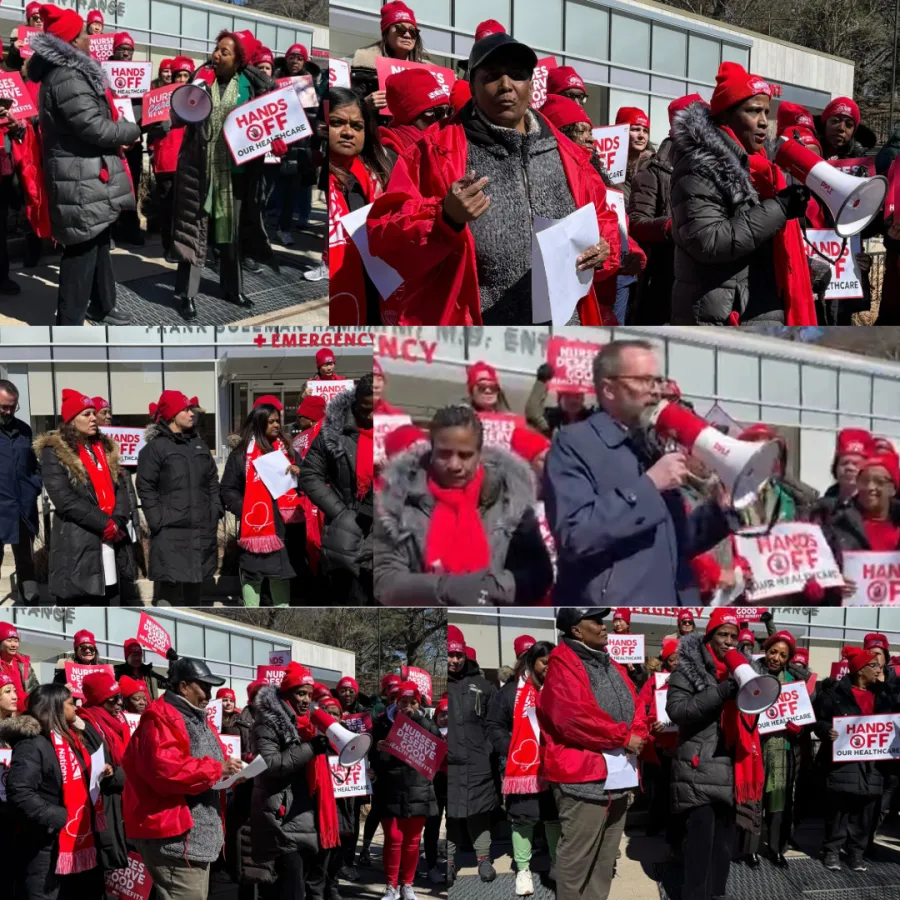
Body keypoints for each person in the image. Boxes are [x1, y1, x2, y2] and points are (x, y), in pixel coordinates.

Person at [367, 32, 624, 326]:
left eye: (516, 75)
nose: (505, 86)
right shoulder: (431, 153)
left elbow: (602, 219)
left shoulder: (571, 156)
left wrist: (605, 248)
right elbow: (384, 236)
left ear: (531, 86)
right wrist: (444, 218)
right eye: (491, 76)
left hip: (564, 326)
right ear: (473, 88)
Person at [544, 340, 733, 607]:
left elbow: (678, 542)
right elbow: (575, 534)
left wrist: (719, 510)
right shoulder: (574, 444)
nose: (656, 392)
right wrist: (649, 485)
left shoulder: (651, 444)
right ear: (609, 389)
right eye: (644, 381)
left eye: (657, 381)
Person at [669, 62, 815, 325]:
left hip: (755, 307)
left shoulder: (761, 168)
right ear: (726, 115)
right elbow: (708, 240)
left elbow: (762, 243)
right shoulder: (698, 167)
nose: (763, 122)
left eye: (766, 112)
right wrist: (779, 209)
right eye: (753, 111)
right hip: (723, 316)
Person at [28, 6, 140, 326]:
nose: (93, 38)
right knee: (80, 250)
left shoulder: (69, 72)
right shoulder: (68, 76)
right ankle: (69, 324)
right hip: (77, 177)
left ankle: (103, 306)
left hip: (85, 173)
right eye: (86, 33)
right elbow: (94, 128)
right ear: (74, 40)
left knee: (98, 238)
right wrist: (133, 129)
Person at [374, 404, 553, 605]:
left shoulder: (510, 500)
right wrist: (445, 588)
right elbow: (384, 579)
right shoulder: (397, 501)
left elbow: (539, 573)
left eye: (465, 455)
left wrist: (489, 587)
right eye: (444, 454)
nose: (454, 465)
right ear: (431, 450)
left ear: (480, 454)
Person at [536, 608, 647, 900]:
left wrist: (639, 734)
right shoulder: (562, 666)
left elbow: (635, 706)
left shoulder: (612, 664)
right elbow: (573, 719)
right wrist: (625, 738)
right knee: (576, 861)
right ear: (575, 630)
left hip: (618, 779)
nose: (604, 626)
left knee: (605, 858)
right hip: (582, 781)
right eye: (595, 621)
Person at [171, 30, 278, 320]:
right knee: (194, 233)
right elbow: (177, 117)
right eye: (216, 49)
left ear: (239, 60)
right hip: (200, 171)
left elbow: (269, 120)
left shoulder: (251, 88)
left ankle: (233, 289)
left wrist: (276, 138)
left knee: (230, 235)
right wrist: (187, 97)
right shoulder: (201, 80)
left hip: (236, 174)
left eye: (225, 52)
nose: (216, 55)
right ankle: (187, 295)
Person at [666, 608, 764, 900]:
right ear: (709, 636)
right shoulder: (687, 670)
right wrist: (721, 693)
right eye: (723, 634)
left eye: (734, 636)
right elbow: (677, 710)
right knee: (700, 845)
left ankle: (716, 894)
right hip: (700, 767)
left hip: (732, 767)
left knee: (723, 845)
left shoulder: (742, 671)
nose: (729, 641)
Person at [123, 657, 239, 900]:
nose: (210, 692)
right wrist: (218, 770)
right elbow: (166, 770)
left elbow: (211, 763)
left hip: (192, 837)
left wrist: (234, 774)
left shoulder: (196, 717)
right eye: (204, 686)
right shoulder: (161, 717)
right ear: (184, 686)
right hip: (176, 838)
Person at [7, 682, 106, 899]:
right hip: (43, 845)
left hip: (69, 842)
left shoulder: (67, 739)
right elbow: (20, 791)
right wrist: (61, 817)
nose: (77, 708)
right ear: (56, 708)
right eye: (71, 704)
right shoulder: (32, 744)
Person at [34, 390, 134, 604]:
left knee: (109, 600)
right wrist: (104, 523)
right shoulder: (54, 452)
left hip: (111, 539)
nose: (93, 418)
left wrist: (117, 520)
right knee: (81, 605)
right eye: (86, 414)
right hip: (79, 539)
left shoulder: (104, 448)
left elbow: (121, 487)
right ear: (71, 420)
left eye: (93, 413)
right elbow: (64, 499)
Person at [252, 662, 336, 900]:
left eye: (309, 695)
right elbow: (271, 764)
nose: (306, 700)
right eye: (300, 693)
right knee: (289, 891)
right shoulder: (268, 722)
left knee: (291, 887)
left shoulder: (308, 725)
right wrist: (310, 748)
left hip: (301, 816)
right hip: (281, 818)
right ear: (286, 694)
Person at [136, 390, 223, 607]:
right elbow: (145, 487)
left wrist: (214, 511)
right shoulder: (154, 449)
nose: (191, 413)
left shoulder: (200, 445)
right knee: (169, 587)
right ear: (172, 415)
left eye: (190, 409)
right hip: (171, 531)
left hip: (201, 529)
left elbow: (213, 481)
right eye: (185, 409)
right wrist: (158, 520)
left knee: (197, 582)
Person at [486, 640, 559, 897]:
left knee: (554, 816)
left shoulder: (561, 688)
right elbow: (494, 725)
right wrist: (514, 748)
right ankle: (524, 869)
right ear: (531, 662)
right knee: (523, 819)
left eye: (553, 662)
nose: (549, 667)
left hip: (556, 767)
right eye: (544, 662)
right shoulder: (509, 693)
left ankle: (556, 864)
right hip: (523, 768)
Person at [628, 94, 706, 325]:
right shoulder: (653, 170)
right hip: (665, 277)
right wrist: (671, 226)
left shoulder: (714, 164)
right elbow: (636, 222)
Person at [814, 646, 891, 872]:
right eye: (873, 665)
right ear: (860, 670)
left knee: (865, 810)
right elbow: (817, 721)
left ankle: (856, 853)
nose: (878, 669)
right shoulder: (834, 694)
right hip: (843, 764)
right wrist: (827, 730)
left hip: (873, 764)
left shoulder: (883, 694)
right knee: (840, 810)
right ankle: (832, 851)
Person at [299, 375, 374, 605]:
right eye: (365, 409)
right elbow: (310, 473)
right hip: (348, 534)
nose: (372, 416)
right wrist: (341, 513)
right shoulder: (333, 430)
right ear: (355, 402)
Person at [221, 401, 302, 608]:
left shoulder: (289, 451)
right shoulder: (240, 455)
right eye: (271, 421)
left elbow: (307, 482)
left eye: (278, 421)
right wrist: (246, 509)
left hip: (285, 526)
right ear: (259, 424)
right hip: (254, 527)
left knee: (281, 574)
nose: (276, 425)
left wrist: (298, 473)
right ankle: (251, 611)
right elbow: (227, 489)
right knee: (252, 574)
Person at [327, 86, 395, 324]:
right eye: (337, 123)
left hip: (379, 295)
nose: (348, 132)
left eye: (357, 126)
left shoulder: (378, 175)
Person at [370, 680, 440, 900]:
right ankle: (391, 886)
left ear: (418, 705)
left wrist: (417, 720)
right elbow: (371, 756)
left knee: (412, 841)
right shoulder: (381, 724)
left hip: (418, 790)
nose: (407, 707)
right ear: (395, 702)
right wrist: (378, 750)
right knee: (392, 838)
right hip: (389, 790)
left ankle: (407, 884)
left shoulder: (427, 725)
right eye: (403, 702)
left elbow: (437, 752)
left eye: (412, 703)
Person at [748, 630, 813, 866]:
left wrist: (799, 729)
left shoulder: (794, 685)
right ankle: (751, 849)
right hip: (754, 748)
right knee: (754, 799)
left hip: (781, 751)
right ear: (766, 651)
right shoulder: (752, 675)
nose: (776, 658)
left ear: (788, 659)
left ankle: (775, 849)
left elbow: (803, 717)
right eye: (773, 652)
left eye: (783, 655)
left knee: (778, 802)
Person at [447, 625, 498, 885]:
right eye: (449, 655)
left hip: (478, 761)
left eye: (458, 655)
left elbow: (494, 722)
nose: (454, 660)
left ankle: (484, 859)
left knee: (479, 811)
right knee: (453, 813)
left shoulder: (483, 686)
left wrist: (488, 748)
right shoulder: (442, 686)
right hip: (449, 764)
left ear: (464, 654)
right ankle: (450, 861)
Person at [79, 672, 130, 879]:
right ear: (99, 700)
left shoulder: (116, 723)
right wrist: (133, 775)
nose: (119, 703)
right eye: (112, 700)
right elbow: (100, 772)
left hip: (122, 801)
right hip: (106, 804)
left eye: (120, 698)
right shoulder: (87, 724)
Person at [147, 56, 194, 262]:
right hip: (166, 162)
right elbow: (148, 129)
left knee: (186, 209)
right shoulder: (159, 99)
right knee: (167, 208)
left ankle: (184, 245)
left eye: (186, 75)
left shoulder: (197, 99)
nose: (182, 79)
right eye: (178, 75)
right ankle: (168, 246)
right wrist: (158, 129)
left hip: (189, 162)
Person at [637, 637, 680, 852]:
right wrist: (652, 725)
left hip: (682, 746)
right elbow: (641, 707)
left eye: (678, 658)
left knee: (676, 792)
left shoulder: (689, 680)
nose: (675, 662)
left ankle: (673, 829)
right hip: (659, 745)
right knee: (660, 790)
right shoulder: (653, 682)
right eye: (671, 659)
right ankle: (655, 825)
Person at [0, 379, 41, 605]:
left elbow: (34, 464)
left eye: (12, 407)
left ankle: (30, 601)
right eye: (4, 407)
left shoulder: (24, 429)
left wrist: (34, 485)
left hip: (22, 508)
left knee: (25, 559)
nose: (8, 411)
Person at [351, 2, 429, 111]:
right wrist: (365, 104)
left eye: (412, 31)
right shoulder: (364, 67)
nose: (407, 35)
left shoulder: (430, 72)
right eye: (400, 29)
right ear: (386, 33)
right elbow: (347, 109)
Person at [380, 68, 453, 154]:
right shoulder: (389, 153)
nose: (445, 118)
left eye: (448, 111)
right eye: (438, 112)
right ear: (410, 117)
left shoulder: (450, 144)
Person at [524, 364, 593, 440]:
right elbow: (532, 412)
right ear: (559, 398)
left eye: (577, 396)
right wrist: (542, 381)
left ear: (583, 398)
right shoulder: (551, 418)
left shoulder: (591, 419)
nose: (573, 400)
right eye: (568, 395)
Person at [424, 695, 449, 884]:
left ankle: (449, 864)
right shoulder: (429, 733)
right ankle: (431, 866)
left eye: (450, 714)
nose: (446, 717)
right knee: (432, 827)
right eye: (443, 714)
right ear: (436, 717)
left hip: (453, 785)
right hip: (433, 785)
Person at [616, 107, 654, 204]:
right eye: (635, 129)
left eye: (645, 131)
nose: (641, 135)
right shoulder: (609, 168)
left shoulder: (654, 166)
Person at [0, 621, 38, 714]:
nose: (13, 645)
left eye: (16, 641)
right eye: (9, 641)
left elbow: (35, 689)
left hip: (26, 714)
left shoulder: (24, 664)